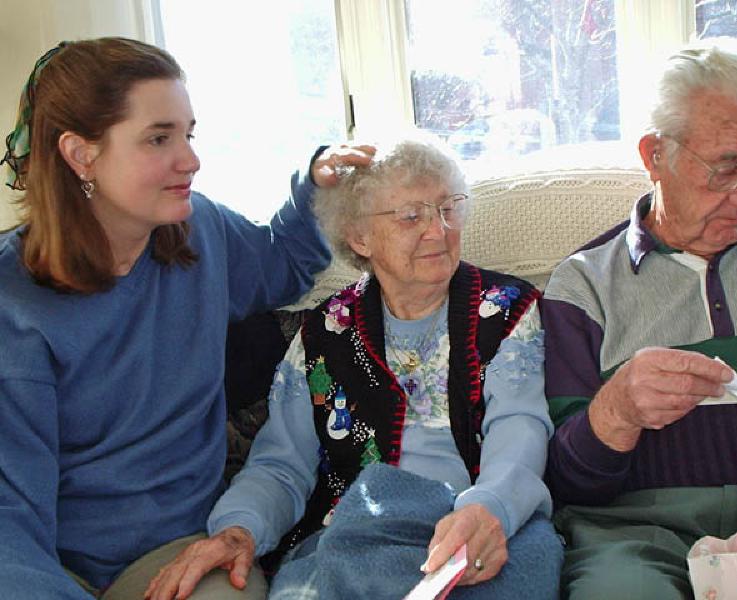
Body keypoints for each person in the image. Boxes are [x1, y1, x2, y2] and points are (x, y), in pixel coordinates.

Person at [0, 37, 374, 600]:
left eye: (188, 134)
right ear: (82, 155)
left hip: (178, 553)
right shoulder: (13, 306)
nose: (191, 160)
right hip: (40, 562)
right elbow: (9, 512)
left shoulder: (199, 230)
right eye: (158, 138)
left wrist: (318, 184)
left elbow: (284, 262)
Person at [145, 135, 563, 599]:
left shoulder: (505, 310)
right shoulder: (323, 335)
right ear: (359, 236)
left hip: (482, 525)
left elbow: (520, 426)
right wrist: (238, 530)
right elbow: (281, 466)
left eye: (448, 209)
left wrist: (492, 508)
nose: (438, 230)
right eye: (411, 215)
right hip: (359, 532)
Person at [540, 36, 737, 598]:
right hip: (632, 531)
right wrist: (616, 413)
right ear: (655, 155)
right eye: (727, 170)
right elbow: (563, 481)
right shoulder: (582, 284)